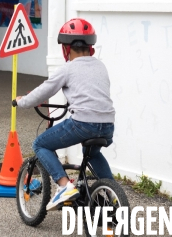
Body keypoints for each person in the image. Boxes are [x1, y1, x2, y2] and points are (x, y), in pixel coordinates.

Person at [14, 18, 115, 211]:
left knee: (40, 144)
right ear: (90, 46)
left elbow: (44, 91)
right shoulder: (100, 66)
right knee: (93, 154)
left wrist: (23, 101)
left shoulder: (68, 68)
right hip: (108, 125)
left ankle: (64, 186)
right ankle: (112, 193)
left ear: (66, 48)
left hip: (84, 124)